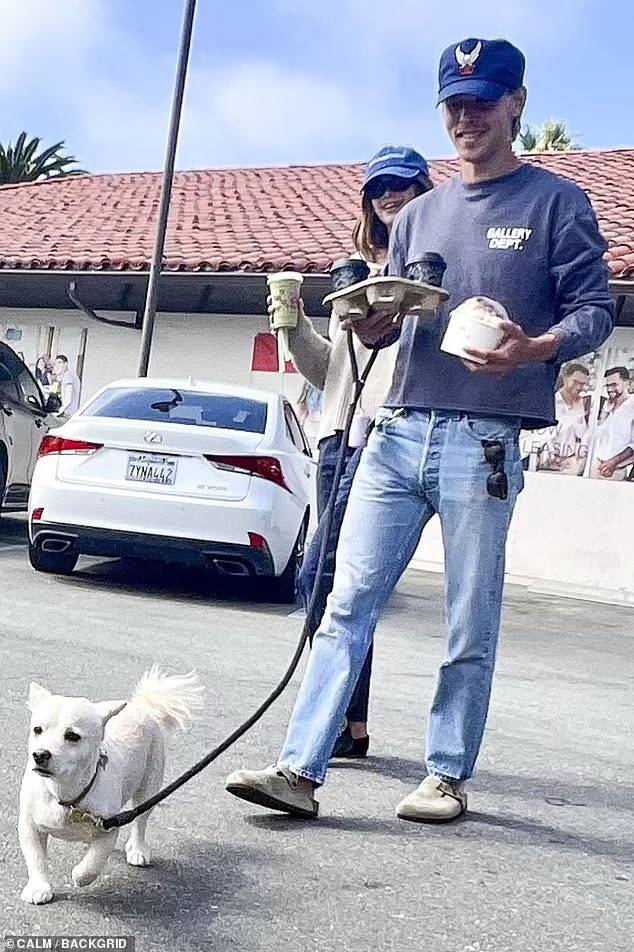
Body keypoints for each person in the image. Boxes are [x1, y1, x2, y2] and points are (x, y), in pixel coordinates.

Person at [225, 37, 614, 823]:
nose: (466, 118)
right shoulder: (421, 215)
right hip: (396, 431)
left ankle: (445, 775)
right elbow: (392, 325)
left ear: (516, 104)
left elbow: (596, 310)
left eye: (482, 102)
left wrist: (536, 347)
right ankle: (299, 769)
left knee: (468, 616)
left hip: (485, 440)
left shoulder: (556, 203)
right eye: (454, 105)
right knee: (346, 601)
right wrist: (370, 324)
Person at [284, 146, 432, 758]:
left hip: (385, 437)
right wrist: (292, 326)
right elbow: (331, 372)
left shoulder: (427, 276)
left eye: (401, 184)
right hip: (337, 439)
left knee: (319, 576)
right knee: (344, 584)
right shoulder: (355, 273)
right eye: (378, 187)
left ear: (423, 190)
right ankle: (350, 723)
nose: (388, 194)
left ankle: (333, 718)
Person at [536, 362, 591, 474]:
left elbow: (581, 434)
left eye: (582, 384)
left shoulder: (580, 405)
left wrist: (579, 412)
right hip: (546, 459)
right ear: (565, 378)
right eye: (575, 382)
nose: (578, 387)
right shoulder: (551, 401)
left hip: (568, 461)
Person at [590, 367, 634, 480]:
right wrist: (605, 412)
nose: (610, 389)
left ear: (627, 383)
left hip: (619, 469)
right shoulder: (606, 405)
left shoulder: (632, 405)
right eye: (607, 386)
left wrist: (613, 462)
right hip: (598, 465)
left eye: (614, 384)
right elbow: (596, 434)